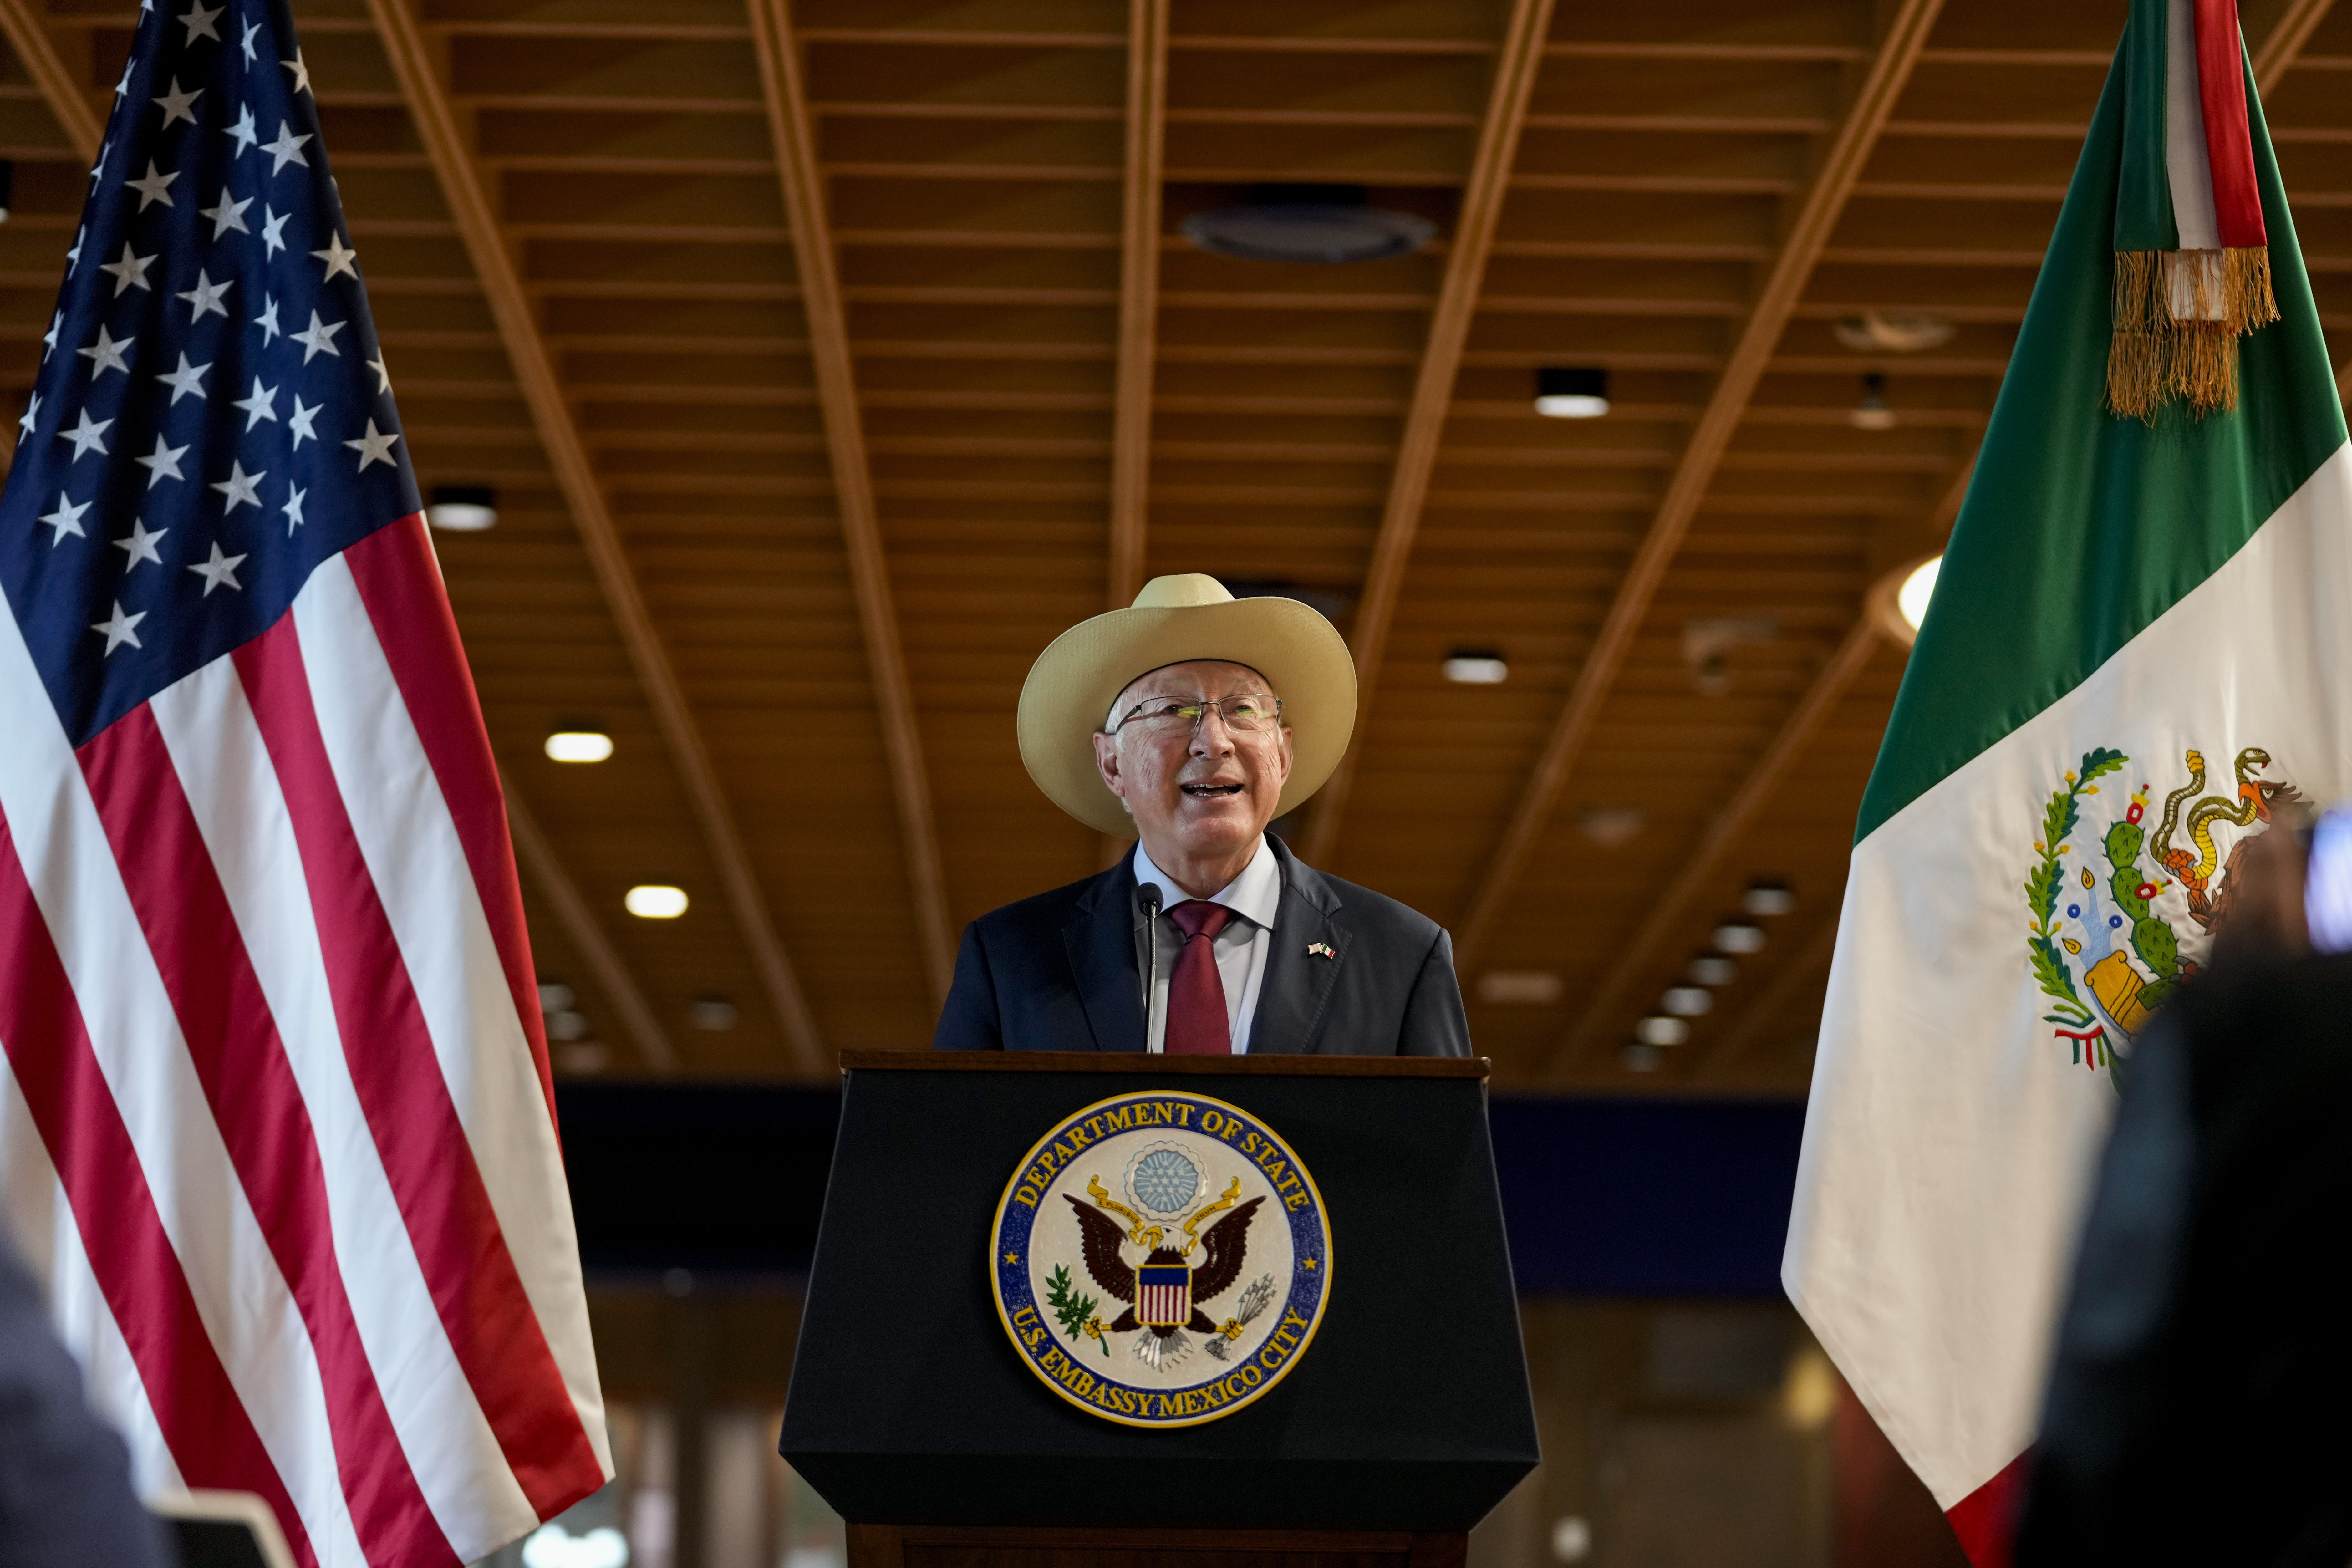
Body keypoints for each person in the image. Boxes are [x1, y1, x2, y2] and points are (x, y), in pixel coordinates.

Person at [932, 573, 1470, 1056]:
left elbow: (1445, 1164)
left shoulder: (1401, 953)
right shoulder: (1011, 955)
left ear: (1282, 754)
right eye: (1172, 711)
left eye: (1241, 710)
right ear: (1112, 763)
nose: (1213, 742)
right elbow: (953, 1156)